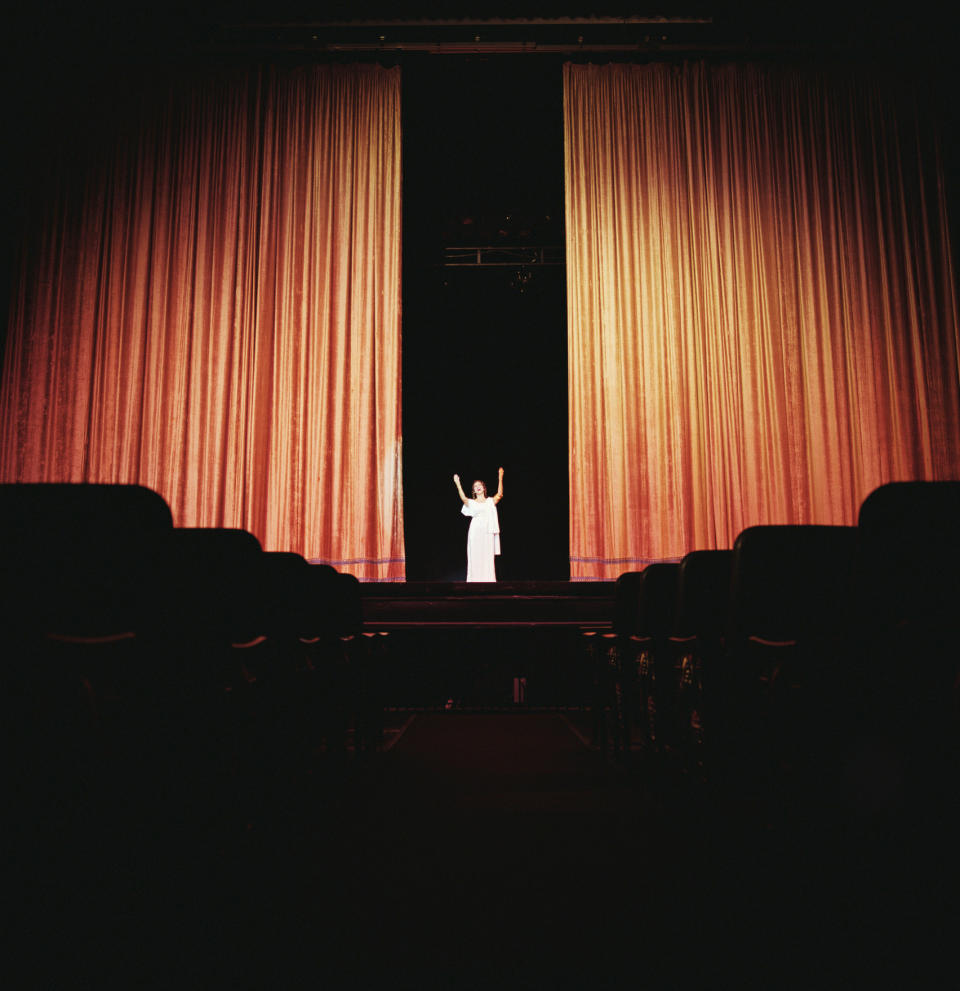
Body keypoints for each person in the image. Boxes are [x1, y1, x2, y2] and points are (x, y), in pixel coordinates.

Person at [453, 467, 504, 582]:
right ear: (474, 491)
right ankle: (474, 582)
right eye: (475, 486)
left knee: (487, 557)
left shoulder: (490, 501)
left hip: (487, 532)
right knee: (475, 556)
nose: (478, 487)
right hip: (475, 532)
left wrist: (500, 476)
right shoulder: (472, 503)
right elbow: (463, 498)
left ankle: (489, 581)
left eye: (479, 485)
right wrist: (458, 484)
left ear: (484, 488)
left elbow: (500, 494)